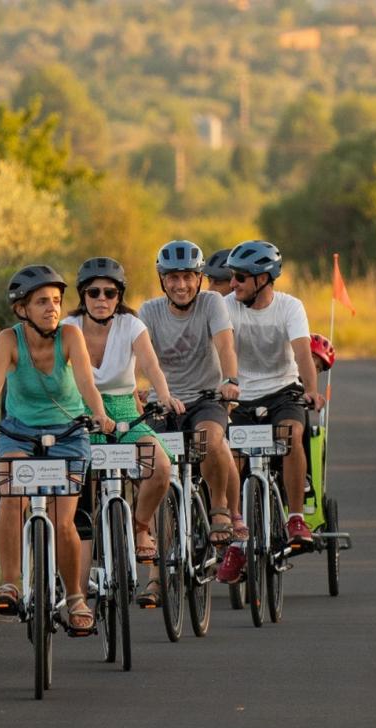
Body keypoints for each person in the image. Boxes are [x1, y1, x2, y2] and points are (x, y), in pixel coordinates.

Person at [0, 264, 115, 636]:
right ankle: (10, 583)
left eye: (57, 301)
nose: (52, 308)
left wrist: (99, 414)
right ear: (22, 309)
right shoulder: (8, 340)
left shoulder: (70, 336)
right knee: (12, 497)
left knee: (64, 521)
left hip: (68, 435)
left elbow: (85, 382)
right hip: (19, 434)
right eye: (42, 302)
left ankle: (76, 597)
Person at [60, 257, 184, 596]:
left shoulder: (132, 326)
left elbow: (151, 366)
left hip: (125, 410)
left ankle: (140, 526)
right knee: (78, 496)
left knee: (160, 466)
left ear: (119, 296)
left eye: (110, 293)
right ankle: (77, 593)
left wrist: (165, 395)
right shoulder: (66, 326)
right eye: (94, 292)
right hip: (79, 412)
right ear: (83, 295)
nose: (102, 299)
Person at [215, 241, 326, 583]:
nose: (232, 284)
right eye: (231, 277)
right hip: (240, 396)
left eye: (239, 278)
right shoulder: (226, 307)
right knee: (229, 450)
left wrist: (310, 391)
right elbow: (219, 348)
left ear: (263, 279)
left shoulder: (290, 307)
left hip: (283, 391)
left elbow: (302, 353)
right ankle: (237, 535)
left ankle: (295, 517)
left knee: (293, 433)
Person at [137, 240, 241, 605]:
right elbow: (139, 356)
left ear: (199, 279)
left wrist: (230, 379)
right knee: (156, 477)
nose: (180, 285)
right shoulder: (148, 311)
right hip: (162, 404)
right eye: (173, 278)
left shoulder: (212, 303)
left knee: (211, 438)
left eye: (187, 277)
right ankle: (154, 577)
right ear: (162, 280)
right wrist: (134, 389)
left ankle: (218, 509)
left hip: (205, 399)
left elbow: (225, 344)